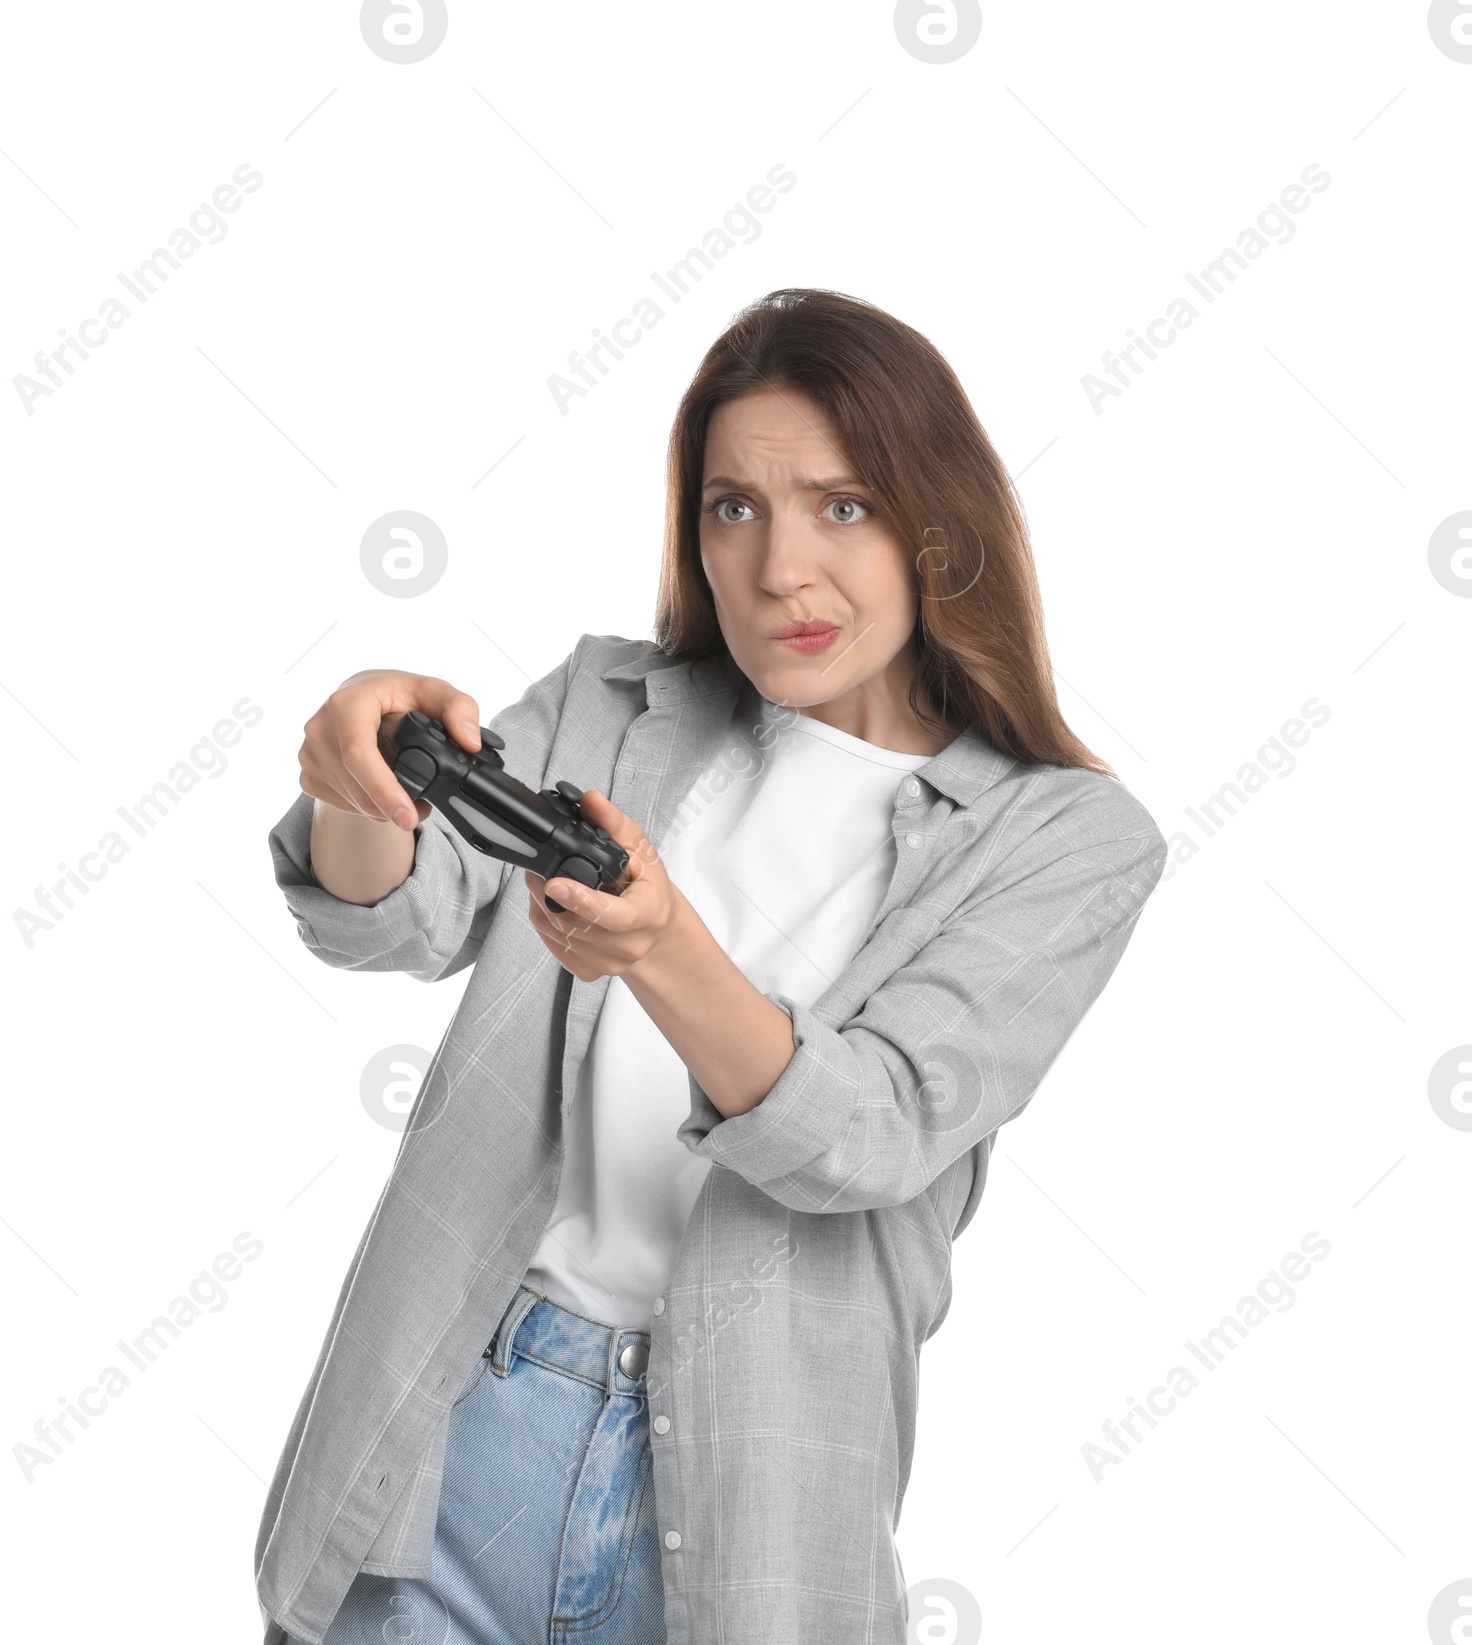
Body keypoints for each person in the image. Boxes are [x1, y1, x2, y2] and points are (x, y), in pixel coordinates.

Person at [256, 288, 1167, 1645]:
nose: (782, 567)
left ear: (938, 520)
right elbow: (395, 913)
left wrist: (664, 946)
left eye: (843, 505)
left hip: (745, 1513)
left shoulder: (1065, 840)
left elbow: (868, 1128)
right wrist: (358, 779)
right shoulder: (611, 705)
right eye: (734, 507)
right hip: (451, 1434)